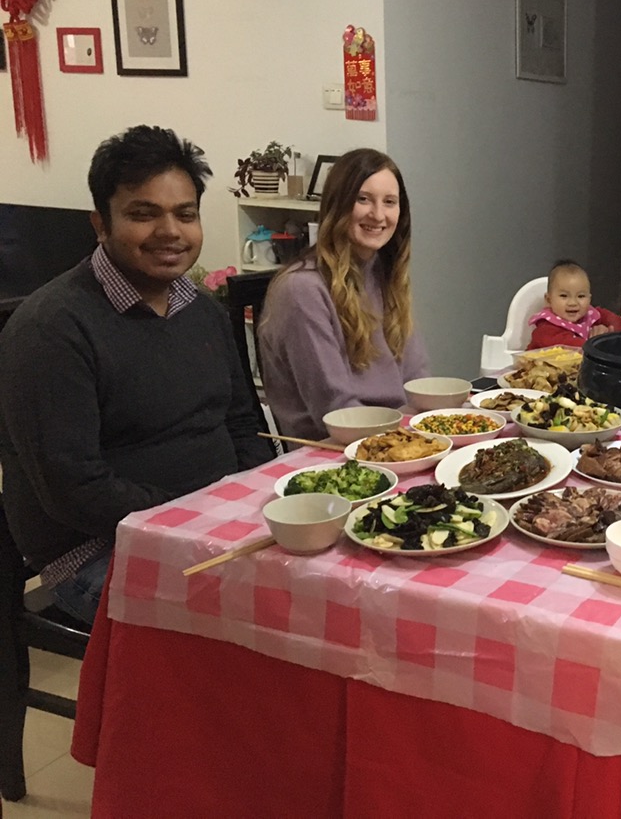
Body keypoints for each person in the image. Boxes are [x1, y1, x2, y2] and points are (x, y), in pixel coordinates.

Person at [0, 125, 276, 626]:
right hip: (99, 550)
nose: (170, 231)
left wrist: (242, 503)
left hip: (214, 525)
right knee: (266, 622)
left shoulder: (202, 310)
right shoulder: (50, 329)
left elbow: (243, 424)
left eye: (185, 214)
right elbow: (75, 491)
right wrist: (194, 517)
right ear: (101, 224)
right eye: (143, 214)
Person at [259, 148, 430, 440]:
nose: (378, 215)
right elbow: (336, 410)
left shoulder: (384, 273)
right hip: (334, 448)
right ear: (337, 204)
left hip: (394, 434)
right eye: (363, 199)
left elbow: (418, 381)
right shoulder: (301, 289)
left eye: (389, 202)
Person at [527, 259, 621, 349]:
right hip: (540, 366)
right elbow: (570, 347)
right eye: (564, 296)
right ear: (549, 300)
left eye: (581, 296)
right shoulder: (546, 328)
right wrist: (597, 341)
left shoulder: (591, 315)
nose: (573, 303)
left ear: (589, 299)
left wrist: (609, 332)